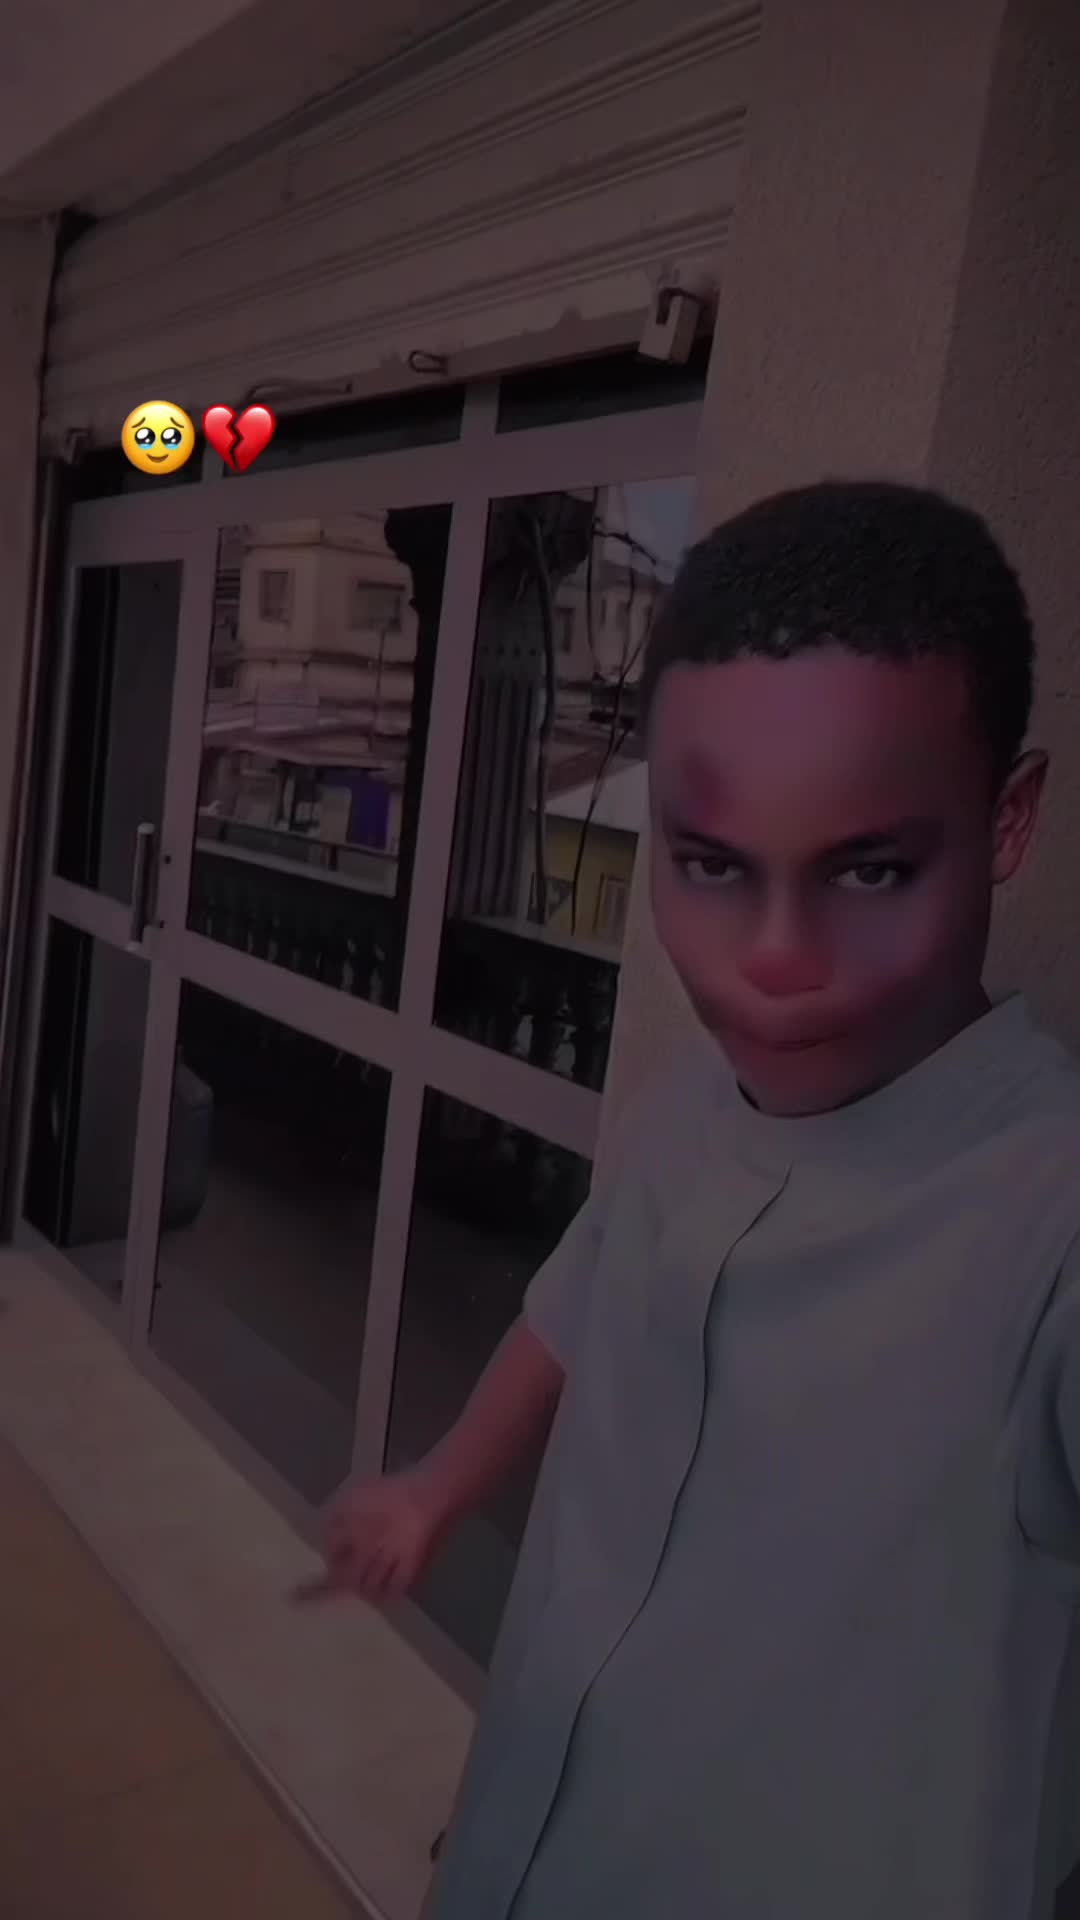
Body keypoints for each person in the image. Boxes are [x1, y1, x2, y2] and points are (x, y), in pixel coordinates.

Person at [301, 481, 1080, 1919]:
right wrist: (435, 1488)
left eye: (870, 869)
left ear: (1009, 819)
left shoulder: (1049, 1226)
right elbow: (573, 1312)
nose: (771, 960)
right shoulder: (693, 1109)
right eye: (711, 864)